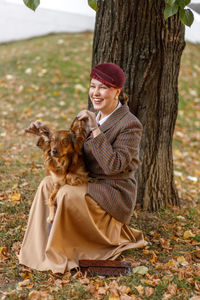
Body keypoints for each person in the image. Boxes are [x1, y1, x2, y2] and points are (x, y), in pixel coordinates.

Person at [18, 63, 146, 274]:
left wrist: (95, 130)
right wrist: (45, 135)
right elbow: (71, 149)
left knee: (67, 194)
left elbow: (115, 166)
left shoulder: (129, 124)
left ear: (117, 91)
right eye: (93, 86)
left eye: (103, 87)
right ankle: (36, 249)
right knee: (46, 185)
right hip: (85, 179)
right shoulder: (87, 117)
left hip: (112, 190)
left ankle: (59, 253)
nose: (95, 93)